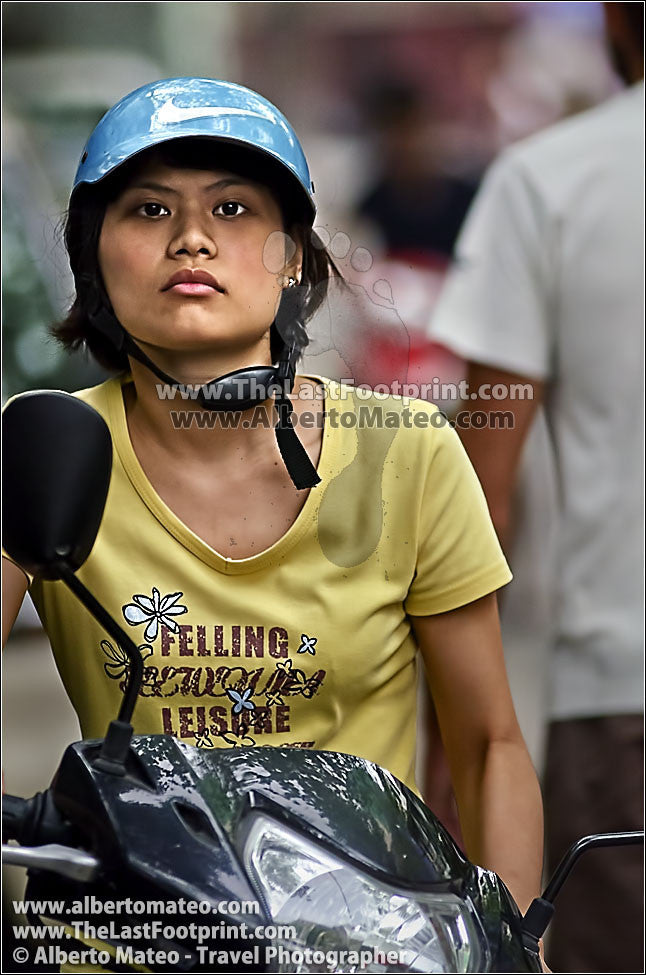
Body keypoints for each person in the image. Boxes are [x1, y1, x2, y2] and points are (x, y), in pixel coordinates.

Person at [2, 77, 544, 918]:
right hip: (130, 936)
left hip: (362, 940)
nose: (191, 240)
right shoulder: (39, 447)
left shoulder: (409, 452)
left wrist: (514, 940)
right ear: (93, 256)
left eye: (232, 210)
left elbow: (488, 744)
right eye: (148, 211)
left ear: (292, 255)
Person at [429, 5, 644, 971]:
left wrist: (451, 735)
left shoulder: (553, 181)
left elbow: (483, 487)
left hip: (623, 697)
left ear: (615, 20)